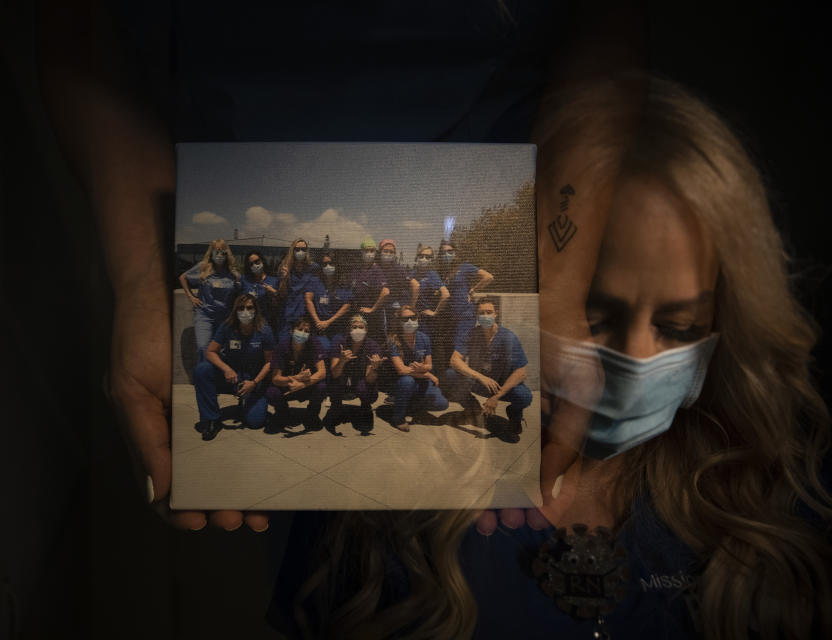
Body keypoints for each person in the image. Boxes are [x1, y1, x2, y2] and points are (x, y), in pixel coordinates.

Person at [270, 76, 832, 639]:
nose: (635, 358)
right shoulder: (381, 506)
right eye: (595, 313)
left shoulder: (765, 496)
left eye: (678, 326)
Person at [442, 297, 531, 436]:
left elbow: (521, 372)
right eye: (481, 313)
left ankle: (515, 415)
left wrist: (496, 397)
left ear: (496, 313)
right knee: (450, 375)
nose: (485, 316)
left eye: (489, 312)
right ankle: (472, 407)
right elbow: (454, 361)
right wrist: (481, 377)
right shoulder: (471, 334)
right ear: (477, 316)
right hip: (480, 382)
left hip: (500, 386)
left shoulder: (508, 337)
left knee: (524, 396)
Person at [192, 294, 274, 441]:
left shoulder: (264, 330)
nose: (245, 312)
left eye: (249, 308)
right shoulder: (228, 327)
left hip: (252, 380)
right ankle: (212, 419)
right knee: (202, 370)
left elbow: (270, 362)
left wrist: (254, 383)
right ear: (235, 310)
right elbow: (210, 352)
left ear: (256, 310)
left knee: (255, 423)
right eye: (241, 308)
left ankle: (248, 403)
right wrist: (226, 369)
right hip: (231, 376)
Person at [381, 305, 448, 432]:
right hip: (399, 382)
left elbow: (429, 365)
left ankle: (410, 406)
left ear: (417, 318)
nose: (410, 322)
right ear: (399, 321)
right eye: (405, 319)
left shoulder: (424, 338)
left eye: (413, 317)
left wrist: (423, 368)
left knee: (442, 404)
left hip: (419, 380)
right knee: (407, 381)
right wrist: (427, 374)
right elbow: (401, 370)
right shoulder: (393, 340)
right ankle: (398, 418)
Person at [433, 240, 493, 372]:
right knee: (449, 355)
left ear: (455, 253)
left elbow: (488, 277)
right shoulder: (442, 272)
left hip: (465, 317)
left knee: (458, 355)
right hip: (450, 320)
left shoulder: (464, 267)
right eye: (444, 252)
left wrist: (473, 289)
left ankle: (468, 385)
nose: (447, 254)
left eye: (450, 252)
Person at [179, 239, 242, 360]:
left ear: (226, 253)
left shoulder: (232, 273)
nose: (219, 255)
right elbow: (183, 278)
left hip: (224, 317)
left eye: (222, 252)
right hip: (204, 315)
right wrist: (191, 297)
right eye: (216, 251)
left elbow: (238, 292)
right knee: (203, 347)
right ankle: (203, 374)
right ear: (211, 252)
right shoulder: (203, 268)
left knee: (223, 351)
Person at [265, 316, 328, 433]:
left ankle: (312, 415)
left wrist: (303, 384)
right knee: (272, 392)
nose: (303, 333)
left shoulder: (314, 343)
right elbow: (275, 379)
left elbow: (322, 372)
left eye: (307, 331)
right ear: (292, 331)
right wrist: (296, 378)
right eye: (300, 329)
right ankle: (283, 413)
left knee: (322, 387)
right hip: (287, 386)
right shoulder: (282, 346)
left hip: (307, 385)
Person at [325, 315, 385, 434]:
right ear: (349, 329)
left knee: (366, 388)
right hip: (342, 377)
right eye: (354, 327)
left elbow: (370, 379)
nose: (358, 330)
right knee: (334, 381)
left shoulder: (373, 345)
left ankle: (365, 407)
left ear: (366, 330)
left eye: (361, 327)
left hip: (360, 379)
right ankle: (336, 407)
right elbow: (335, 373)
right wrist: (342, 361)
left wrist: (374, 368)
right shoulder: (339, 341)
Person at [304, 252, 353, 354]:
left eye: (331, 263)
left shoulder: (344, 282)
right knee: (322, 351)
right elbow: (308, 300)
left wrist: (329, 322)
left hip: (337, 326)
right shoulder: (315, 281)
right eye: (324, 264)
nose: (328, 267)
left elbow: (347, 305)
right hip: (318, 326)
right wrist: (318, 321)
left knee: (336, 352)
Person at [376, 238, 419, 343]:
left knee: (391, 335)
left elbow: (415, 285)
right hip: (377, 306)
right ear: (380, 252)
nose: (388, 254)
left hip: (391, 308)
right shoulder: (375, 267)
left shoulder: (397, 269)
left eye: (391, 252)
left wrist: (411, 307)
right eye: (385, 251)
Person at [277, 238, 319, 340]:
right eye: (297, 249)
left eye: (304, 249)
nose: (301, 252)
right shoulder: (285, 266)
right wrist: (284, 278)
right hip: (288, 313)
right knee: (285, 342)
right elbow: (281, 294)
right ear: (292, 250)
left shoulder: (313, 267)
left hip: (304, 314)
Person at [348, 238, 388, 343]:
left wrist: (372, 309)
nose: (369, 253)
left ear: (375, 252)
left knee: (373, 342)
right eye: (366, 251)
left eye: (372, 250)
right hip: (358, 315)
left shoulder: (377, 270)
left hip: (373, 318)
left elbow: (385, 292)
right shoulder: (356, 270)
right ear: (361, 252)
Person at [412, 243, 450, 336]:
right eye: (421, 256)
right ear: (417, 257)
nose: (424, 259)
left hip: (426, 320)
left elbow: (446, 295)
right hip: (413, 317)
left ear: (431, 260)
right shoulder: (411, 274)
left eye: (427, 257)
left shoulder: (432, 275)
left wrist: (435, 312)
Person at [240, 250, 280, 334]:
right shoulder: (244, 280)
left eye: (257, 261)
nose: (255, 265)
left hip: (266, 322)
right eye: (251, 264)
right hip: (248, 321)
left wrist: (274, 293)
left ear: (262, 261)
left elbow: (278, 305)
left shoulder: (274, 280)